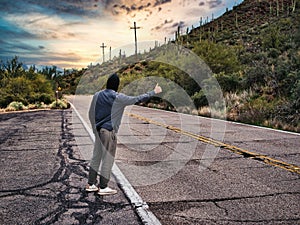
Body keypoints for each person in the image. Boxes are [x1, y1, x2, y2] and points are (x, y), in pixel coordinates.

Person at [86, 73, 162, 195]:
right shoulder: (118, 97)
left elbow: (90, 113)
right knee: (108, 159)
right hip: (108, 132)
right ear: (117, 85)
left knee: (96, 157)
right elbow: (137, 99)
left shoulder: (97, 95)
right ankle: (103, 187)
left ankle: (91, 184)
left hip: (98, 130)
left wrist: (95, 129)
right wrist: (154, 92)